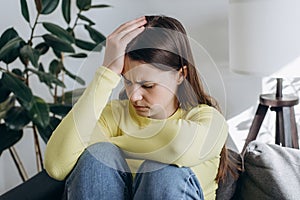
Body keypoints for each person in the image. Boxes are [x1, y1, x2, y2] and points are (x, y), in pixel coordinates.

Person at [44, 15, 232, 200]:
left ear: (180, 75)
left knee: (161, 171)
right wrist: (107, 72)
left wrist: (117, 141)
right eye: (127, 81)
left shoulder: (207, 119)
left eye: (148, 85)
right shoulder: (115, 115)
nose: (134, 96)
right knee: (100, 155)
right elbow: (56, 166)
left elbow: (179, 147)